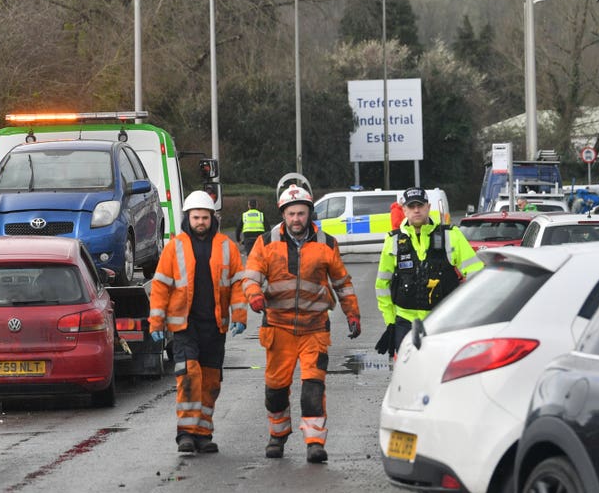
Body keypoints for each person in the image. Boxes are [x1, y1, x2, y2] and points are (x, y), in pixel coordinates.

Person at [240, 184, 360, 464]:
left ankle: (314, 442)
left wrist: (352, 313)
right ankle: (277, 436)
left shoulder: (327, 243)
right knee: (276, 391)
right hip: (278, 329)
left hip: (314, 329)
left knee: (313, 389)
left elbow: (342, 282)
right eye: (291, 214)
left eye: (301, 213)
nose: (296, 219)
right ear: (283, 214)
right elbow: (251, 276)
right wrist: (254, 295)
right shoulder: (266, 242)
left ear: (310, 214)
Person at [149, 190, 248, 454]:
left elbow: (238, 283)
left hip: (215, 326)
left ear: (212, 218)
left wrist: (239, 315)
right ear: (187, 218)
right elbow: (160, 286)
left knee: (211, 381)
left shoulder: (227, 246)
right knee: (189, 377)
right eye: (196, 217)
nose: (201, 222)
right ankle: (186, 434)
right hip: (184, 326)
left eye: (205, 217)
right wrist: (156, 322)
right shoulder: (175, 247)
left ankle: (203, 433)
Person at [375, 187, 483, 357]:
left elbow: (477, 274)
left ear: (428, 207)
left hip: (443, 321)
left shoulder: (451, 236)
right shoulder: (393, 241)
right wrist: (390, 322)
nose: (416, 210)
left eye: (420, 205)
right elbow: (382, 285)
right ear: (404, 210)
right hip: (405, 322)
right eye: (411, 206)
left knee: (441, 374)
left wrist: (466, 313)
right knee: (408, 376)